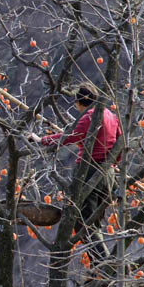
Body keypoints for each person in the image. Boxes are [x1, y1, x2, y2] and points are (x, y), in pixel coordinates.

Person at [28, 83, 121, 271]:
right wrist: (113, 164)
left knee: (83, 222)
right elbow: (119, 143)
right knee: (92, 220)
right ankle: (100, 263)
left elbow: (69, 136)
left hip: (89, 173)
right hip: (108, 175)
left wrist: (41, 140)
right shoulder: (112, 116)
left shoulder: (90, 117)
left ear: (80, 102)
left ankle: (102, 262)